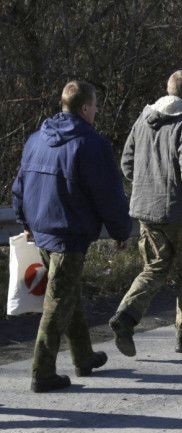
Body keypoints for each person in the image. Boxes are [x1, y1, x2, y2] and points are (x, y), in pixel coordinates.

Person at [12, 80, 131, 392]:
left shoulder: (36, 139)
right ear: (84, 108)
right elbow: (107, 195)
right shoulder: (91, 145)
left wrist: (24, 219)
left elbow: (20, 183)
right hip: (69, 233)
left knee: (67, 292)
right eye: (95, 107)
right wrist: (121, 230)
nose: (97, 112)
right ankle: (42, 371)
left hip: (41, 229)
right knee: (59, 300)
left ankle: (84, 356)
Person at [109, 69, 182, 357]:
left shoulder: (143, 120)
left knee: (154, 268)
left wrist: (146, 187)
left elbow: (127, 163)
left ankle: (126, 316)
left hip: (147, 212)